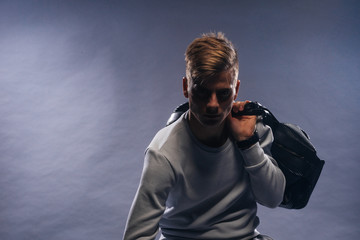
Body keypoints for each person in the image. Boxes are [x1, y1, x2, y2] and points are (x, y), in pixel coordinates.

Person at [123, 32, 286, 240]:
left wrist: (248, 144)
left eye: (223, 93)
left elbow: (273, 198)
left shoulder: (251, 130)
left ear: (236, 90)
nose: (212, 105)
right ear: (186, 88)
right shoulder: (163, 152)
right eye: (201, 92)